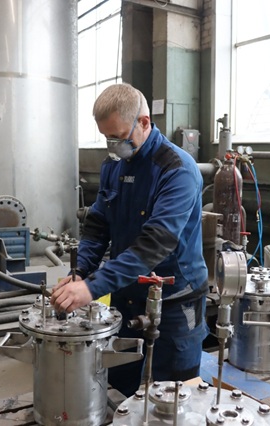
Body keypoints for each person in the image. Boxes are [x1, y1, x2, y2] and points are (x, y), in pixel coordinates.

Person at [50, 83, 209, 396]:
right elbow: (98, 224)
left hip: (175, 300)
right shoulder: (113, 164)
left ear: (144, 122)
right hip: (127, 294)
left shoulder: (177, 171)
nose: (113, 146)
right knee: (121, 384)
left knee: (172, 394)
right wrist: (80, 271)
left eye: (118, 137)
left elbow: (153, 245)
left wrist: (92, 288)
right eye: (106, 138)